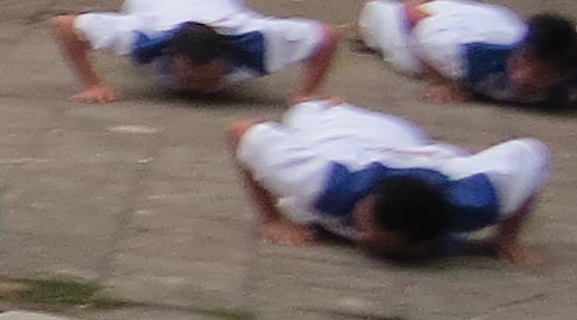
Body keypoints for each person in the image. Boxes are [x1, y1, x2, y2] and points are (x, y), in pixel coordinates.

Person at [229, 101, 548, 261]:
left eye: (379, 240)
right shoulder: (325, 182)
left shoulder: (478, 203)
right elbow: (240, 131)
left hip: (407, 140)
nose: (363, 239)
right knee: (305, 107)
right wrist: (270, 218)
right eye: (365, 225)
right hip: (331, 124)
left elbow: (533, 152)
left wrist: (507, 237)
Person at [51, 0, 336, 103]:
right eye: (191, 77)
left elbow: (328, 35)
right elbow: (64, 25)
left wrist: (307, 93)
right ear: (171, 56)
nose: (200, 88)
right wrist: (93, 85)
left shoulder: (256, 38)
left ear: (228, 58)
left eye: (209, 78)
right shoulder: (146, 36)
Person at [356, 0, 577, 110]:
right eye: (521, 63)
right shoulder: (470, 54)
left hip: (496, 25)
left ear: (563, 75)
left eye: (542, 75)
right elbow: (415, 17)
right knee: (391, 37)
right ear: (520, 51)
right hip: (454, 24)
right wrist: (445, 81)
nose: (524, 78)